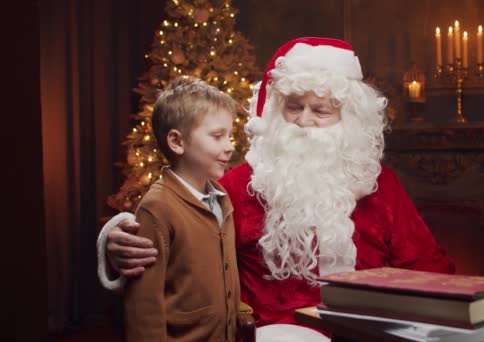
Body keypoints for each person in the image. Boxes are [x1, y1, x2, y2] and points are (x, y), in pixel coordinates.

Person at [98, 37, 455, 341]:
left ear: (348, 119)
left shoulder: (379, 185)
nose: (304, 121)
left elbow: (427, 264)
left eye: (321, 111)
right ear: (274, 110)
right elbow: (179, 229)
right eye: (294, 107)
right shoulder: (238, 184)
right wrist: (116, 238)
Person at [120, 76, 240, 341]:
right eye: (218, 136)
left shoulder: (222, 200)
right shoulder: (157, 208)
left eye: (229, 136)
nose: (230, 146)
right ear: (177, 142)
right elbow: (143, 306)